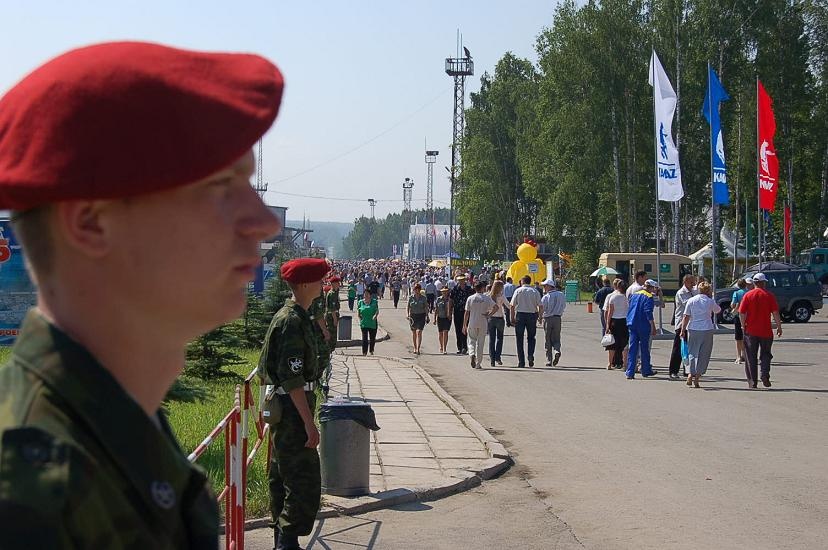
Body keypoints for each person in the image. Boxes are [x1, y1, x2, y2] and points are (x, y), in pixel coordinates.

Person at [0, 41, 283, 548]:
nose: (264, 224)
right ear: (90, 221)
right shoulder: (31, 493)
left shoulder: (114, 425)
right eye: (221, 187)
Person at [260, 258, 329, 550]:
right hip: (292, 410)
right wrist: (308, 423)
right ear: (303, 284)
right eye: (318, 280)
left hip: (291, 408)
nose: (322, 285)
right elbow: (293, 380)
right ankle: (286, 543)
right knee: (302, 480)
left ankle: (283, 540)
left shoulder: (299, 316)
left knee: (284, 474)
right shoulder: (291, 321)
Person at [739, 273, 782, 388]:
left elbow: (741, 312)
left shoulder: (748, 295)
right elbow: (775, 312)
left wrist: (743, 325)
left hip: (751, 331)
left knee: (750, 356)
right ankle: (764, 374)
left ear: (754, 283)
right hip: (766, 331)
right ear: (763, 283)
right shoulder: (769, 295)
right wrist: (779, 326)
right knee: (766, 354)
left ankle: (753, 382)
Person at [679, 282, 721, 388]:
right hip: (707, 328)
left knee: (692, 352)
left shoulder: (692, 300)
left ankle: (690, 373)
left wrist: (683, 330)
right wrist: (712, 299)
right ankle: (697, 376)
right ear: (708, 291)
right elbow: (718, 310)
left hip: (693, 328)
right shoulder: (710, 301)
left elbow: (686, 316)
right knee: (704, 353)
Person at [625, 279, 659, 379]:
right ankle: (646, 370)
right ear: (651, 288)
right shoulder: (649, 297)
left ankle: (630, 372)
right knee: (644, 349)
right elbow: (648, 312)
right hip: (643, 325)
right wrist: (653, 326)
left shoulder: (634, 294)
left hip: (632, 323)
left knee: (633, 348)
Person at [463, 281, 498, 369]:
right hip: (482, 321)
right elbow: (496, 307)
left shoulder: (470, 298)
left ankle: (471, 354)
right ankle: (478, 363)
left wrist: (464, 325)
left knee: (471, 340)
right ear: (482, 288)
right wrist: (489, 315)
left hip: (472, 321)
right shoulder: (486, 298)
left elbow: (466, 312)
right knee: (480, 343)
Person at [510, 275, 542, 368]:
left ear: (522, 282)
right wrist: (540, 317)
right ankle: (530, 355)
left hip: (520, 315)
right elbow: (540, 305)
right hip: (532, 315)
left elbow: (512, 305)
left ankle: (521, 361)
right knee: (531, 337)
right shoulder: (534, 291)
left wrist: (512, 318)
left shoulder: (518, 290)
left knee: (519, 339)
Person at [668, 274, 696, 379]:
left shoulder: (693, 291)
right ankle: (673, 371)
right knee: (679, 348)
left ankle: (687, 370)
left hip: (691, 324)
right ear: (685, 282)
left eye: (693, 282)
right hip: (681, 323)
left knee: (689, 348)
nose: (693, 284)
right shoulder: (681, 292)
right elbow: (688, 304)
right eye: (691, 282)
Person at [604, 279, 629, 370]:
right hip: (625, 321)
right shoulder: (627, 297)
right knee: (625, 343)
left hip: (614, 321)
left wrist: (607, 324)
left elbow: (610, 312)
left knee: (612, 343)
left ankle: (610, 364)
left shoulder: (613, 297)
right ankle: (625, 364)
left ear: (617, 287)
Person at [540, 279, 566, 366]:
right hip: (558, 318)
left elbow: (542, 308)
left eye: (545, 286)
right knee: (556, 337)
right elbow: (563, 306)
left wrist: (540, 317)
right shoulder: (561, 295)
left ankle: (549, 359)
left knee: (548, 339)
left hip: (548, 318)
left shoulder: (546, 297)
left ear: (549, 286)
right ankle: (557, 350)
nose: (544, 287)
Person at [450, 275, 474, 355]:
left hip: (466, 312)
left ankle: (464, 347)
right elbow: (451, 300)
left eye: (462, 280)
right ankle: (459, 347)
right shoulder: (455, 289)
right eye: (459, 280)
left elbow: (473, 299)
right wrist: (449, 311)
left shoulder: (469, 290)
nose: (461, 282)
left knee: (464, 329)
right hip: (457, 311)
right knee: (458, 330)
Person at [487, 280, 509, 366]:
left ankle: (492, 359)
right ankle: (497, 357)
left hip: (491, 319)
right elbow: (508, 305)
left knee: (491, 340)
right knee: (500, 339)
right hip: (500, 318)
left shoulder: (488, 295)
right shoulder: (501, 296)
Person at [407, 282, 429, 355]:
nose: (417, 290)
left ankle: (418, 348)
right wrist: (408, 315)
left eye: (418, 289)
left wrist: (427, 316)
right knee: (414, 332)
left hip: (421, 316)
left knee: (419, 332)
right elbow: (408, 307)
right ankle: (415, 347)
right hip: (413, 316)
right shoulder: (411, 297)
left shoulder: (423, 298)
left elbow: (426, 307)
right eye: (415, 289)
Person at [730, 278, 748, 363]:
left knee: (738, 338)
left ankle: (739, 356)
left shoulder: (736, 293)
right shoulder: (749, 292)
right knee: (747, 336)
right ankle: (745, 354)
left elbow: (733, 305)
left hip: (738, 316)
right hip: (748, 316)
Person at [357, 289, 379, 356]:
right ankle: (364, 352)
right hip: (364, 323)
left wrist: (375, 315)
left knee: (372, 338)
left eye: (367, 294)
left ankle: (371, 350)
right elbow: (358, 310)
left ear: (370, 295)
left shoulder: (374, 302)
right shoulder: (360, 302)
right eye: (365, 294)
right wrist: (359, 316)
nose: (366, 295)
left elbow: (377, 310)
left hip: (372, 323)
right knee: (364, 338)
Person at [433, 287, 453, 354]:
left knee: (445, 332)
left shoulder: (450, 300)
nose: (444, 293)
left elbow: (452, 309)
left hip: (447, 318)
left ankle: (445, 348)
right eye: (443, 291)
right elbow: (436, 309)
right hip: (440, 317)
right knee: (440, 333)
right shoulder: (438, 299)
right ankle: (441, 346)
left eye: (446, 291)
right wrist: (434, 319)